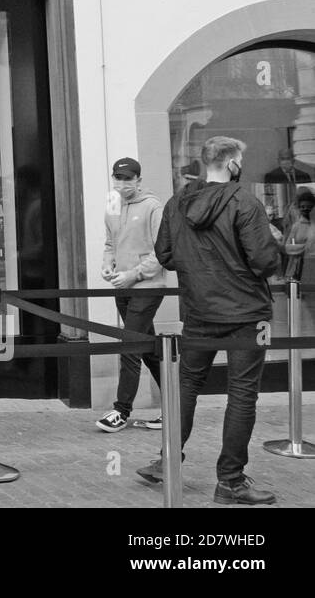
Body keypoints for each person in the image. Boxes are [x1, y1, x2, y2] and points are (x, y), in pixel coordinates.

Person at [143, 136, 283, 505]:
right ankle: (231, 481)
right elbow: (264, 261)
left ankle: (166, 461)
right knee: (242, 394)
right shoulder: (244, 201)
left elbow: (164, 253)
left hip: (199, 309)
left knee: (186, 385)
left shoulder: (177, 202)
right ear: (233, 162)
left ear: (206, 162)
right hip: (246, 312)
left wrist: (197, 268)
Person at [95, 157, 166, 433]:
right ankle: (177, 405)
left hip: (147, 287)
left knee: (129, 346)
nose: (122, 184)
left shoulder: (152, 206)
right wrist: (107, 263)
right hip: (122, 286)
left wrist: (133, 274)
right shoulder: (112, 202)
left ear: (139, 180)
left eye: (128, 179)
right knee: (148, 350)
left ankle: (121, 411)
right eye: (118, 178)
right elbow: (110, 242)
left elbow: (161, 252)